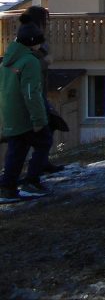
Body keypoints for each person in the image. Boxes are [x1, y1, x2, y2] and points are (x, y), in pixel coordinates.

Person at [0, 23, 51, 201]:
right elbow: (31, 93)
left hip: (10, 113)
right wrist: (38, 119)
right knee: (44, 141)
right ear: (33, 42)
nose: (40, 46)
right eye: (39, 42)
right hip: (25, 114)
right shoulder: (30, 61)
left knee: (16, 150)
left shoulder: (8, 59)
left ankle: (8, 187)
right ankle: (31, 181)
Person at [19, 6, 64, 175]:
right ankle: (32, 174)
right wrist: (46, 61)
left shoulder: (32, 34)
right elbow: (31, 64)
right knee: (38, 134)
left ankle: (41, 163)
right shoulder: (28, 36)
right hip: (33, 92)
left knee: (49, 127)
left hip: (39, 90)